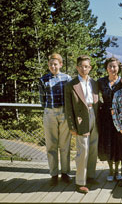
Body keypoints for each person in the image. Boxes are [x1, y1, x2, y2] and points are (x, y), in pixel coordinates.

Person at [64, 55, 99, 194]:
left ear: (90, 68)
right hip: (80, 119)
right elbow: (68, 108)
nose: (84, 69)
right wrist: (72, 126)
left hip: (93, 116)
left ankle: (90, 176)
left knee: (93, 149)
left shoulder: (94, 83)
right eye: (81, 66)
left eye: (86, 66)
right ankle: (80, 182)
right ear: (77, 67)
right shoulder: (71, 85)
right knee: (82, 151)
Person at [39, 53, 72, 186]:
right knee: (51, 145)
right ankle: (53, 174)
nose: (53, 66)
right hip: (50, 113)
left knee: (65, 145)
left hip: (64, 112)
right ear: (48, 65)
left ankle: (65, 173)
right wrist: (48, 110)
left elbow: (70, 97)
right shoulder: (43, 79)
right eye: (51, 64)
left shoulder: (67, 78)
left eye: (56, 64)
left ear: (61, 65)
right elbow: (42, 99)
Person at [97, 57, 122, 182]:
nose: (112, 69)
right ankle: (110, 170)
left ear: (118, 67)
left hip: (119, 115)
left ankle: (118, 169)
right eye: (110, 66)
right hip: (106, 117)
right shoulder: (101, 82)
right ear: (106, 68)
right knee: (107, 142)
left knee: (118, 142)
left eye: (115, 66)